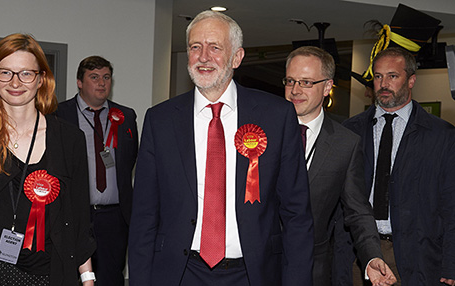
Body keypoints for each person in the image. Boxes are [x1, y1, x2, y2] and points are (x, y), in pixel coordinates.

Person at [128, 10, 313, 285]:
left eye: (215, 47)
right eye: (195, 47)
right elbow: (144, 215)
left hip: (253, 274)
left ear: (237, 57)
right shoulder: (160, 120)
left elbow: (297, 213)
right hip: (180, 274)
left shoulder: (276, 116)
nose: (203, 57)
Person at [0, 33, 96, 286]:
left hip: (49, 274)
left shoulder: (69, 139)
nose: (15, 82)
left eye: (26, 73)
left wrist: (87, 277)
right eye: (6, 72)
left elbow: (78, 219)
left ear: (42, 78)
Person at [284, 46, 397, 286]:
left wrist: (371, 256)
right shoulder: (259, 132)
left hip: (313, 271)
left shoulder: (345, 143)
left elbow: (357, 211)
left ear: (327, 87)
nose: (295, 90)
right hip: (254, 266)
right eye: (291, 81)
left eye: (306, 82)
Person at [343, 47, 455, 285]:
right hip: (359, 253)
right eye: (378, 76)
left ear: (411, 80)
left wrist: (451, 264)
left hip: (419, 255)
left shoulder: (441, 136)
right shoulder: (350, 131)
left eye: (392, 76)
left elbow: (451, 206)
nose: (383, 83)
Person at [56, 56, 138, 286]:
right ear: (79, 82)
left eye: (106, 77)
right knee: (73, 276)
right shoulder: (59, 114)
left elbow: (129, 160)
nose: (102, 83)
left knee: (111, 277)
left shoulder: (126, 116)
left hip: (114, 217)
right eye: (94, 77)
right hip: (74, 215)